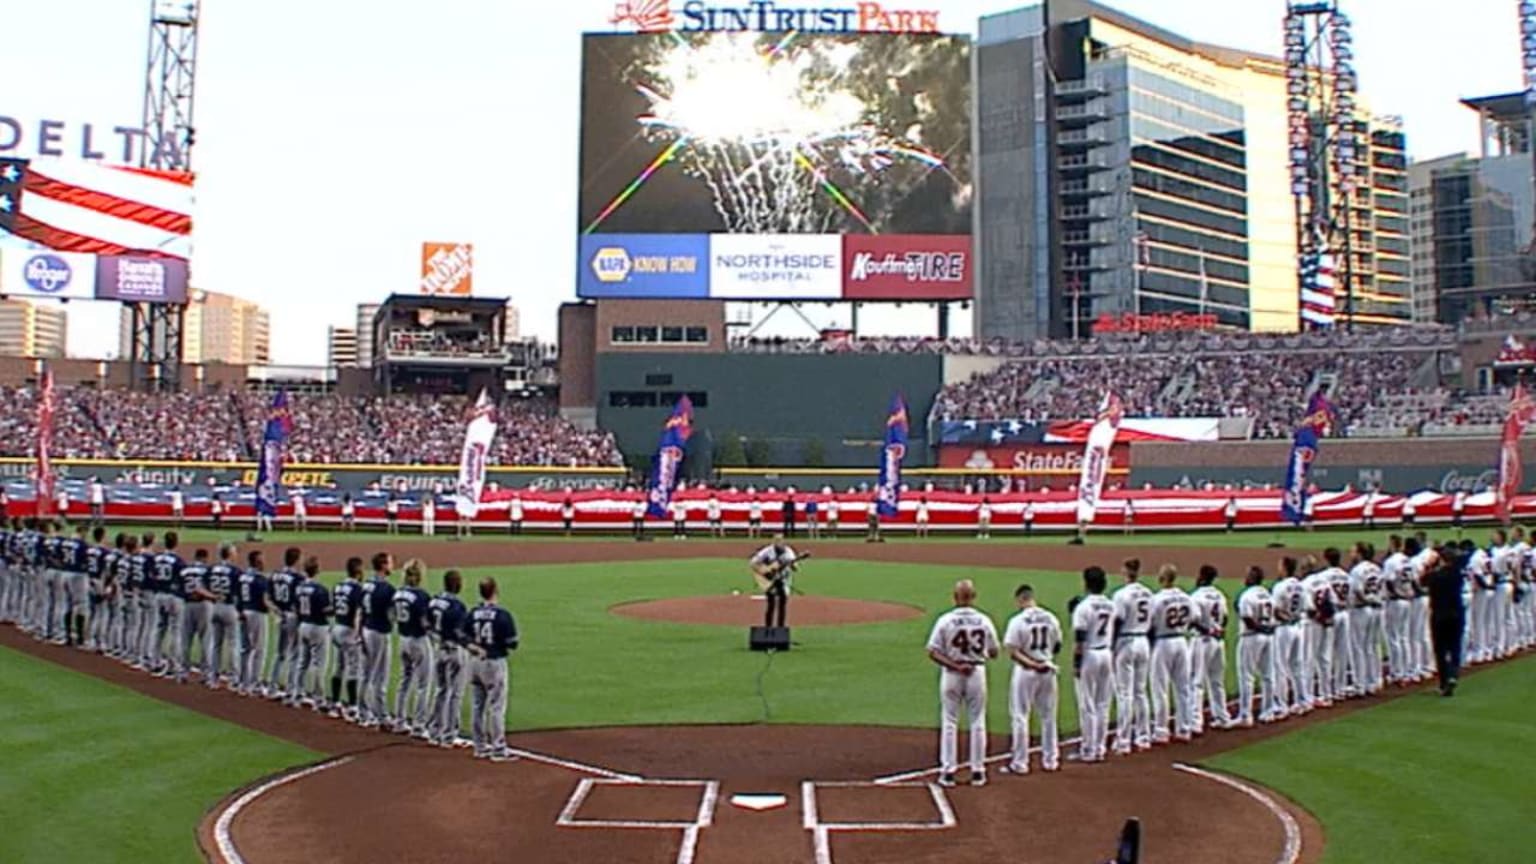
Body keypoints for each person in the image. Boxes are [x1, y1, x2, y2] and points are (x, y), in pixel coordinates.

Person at [925, 579, 999, 787]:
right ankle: (978, 771)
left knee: (949, 721)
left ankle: (948, 772)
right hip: (977, 672)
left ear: (955, 597)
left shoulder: (945, 620)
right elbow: (994, 652)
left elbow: (932, 652)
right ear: (973, 597)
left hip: (951, 673)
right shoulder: (984, 620)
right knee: (978, 721)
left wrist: (956, 666)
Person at [1002, 584, 1061, 775]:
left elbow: (1012, 651)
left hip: (1026, 672)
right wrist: (1044, 659)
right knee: (1048, 716)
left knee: (1020, 715)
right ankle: (1050, 760)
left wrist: (1032, 663)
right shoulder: (1051, 617)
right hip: (1047, 669)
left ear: (1020, 599)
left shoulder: (1017, 620)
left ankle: (1020, 763)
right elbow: (1058, 644)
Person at [468, 577, 519, 761]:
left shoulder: (472, 612)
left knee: (477, 706)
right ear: (495, 591)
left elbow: (464, 636)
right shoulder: (502, 615)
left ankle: (479, 747)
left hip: (474, 662)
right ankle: (498, 748)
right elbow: (512, 643)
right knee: (496, 707)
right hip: (494, 662)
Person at [1072, 566, 1117, 763]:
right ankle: (1100, 747)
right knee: (1103, 703)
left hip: (1090, 655)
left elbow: (1080, 639)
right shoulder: (1110, 604)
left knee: (1087, 704)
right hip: (1106, 653)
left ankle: (1088, 748)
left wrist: (1076, 663)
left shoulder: (1083, 607)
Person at [1147, 564, 1195, 743]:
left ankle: (1161, 730)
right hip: (1181, 640)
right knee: (1183, 687)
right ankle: (1184, 728)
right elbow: (1193, 619)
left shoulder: (1157, 599)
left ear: (1162, 578)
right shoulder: (1185, 597)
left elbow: (1150, 624)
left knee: (1160, 688)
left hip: (1163, 642)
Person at [1110, 558, 1153, 754]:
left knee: (1125, 693)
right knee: (1140, 692)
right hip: (1143, 640)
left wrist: (1111, 645)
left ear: (1126, 571)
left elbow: (1117, 622)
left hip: (1126, 641)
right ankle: (1143, 737)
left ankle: (1124, 740)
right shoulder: (1148, 593)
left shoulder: (1121, 594)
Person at [429, 569, 471, 748]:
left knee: (441, 690)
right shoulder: (458, 606)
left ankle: (434, 731)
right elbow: (461, 632)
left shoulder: (434, 601)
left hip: (438, 649)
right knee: (456, 693)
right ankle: (450, 734)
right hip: (455, 650)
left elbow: (426, 623)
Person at [392, 559, 434, 736]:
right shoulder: (422, 596)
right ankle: (419, 725)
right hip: (418, 640)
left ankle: (399, 721)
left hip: (403, 639)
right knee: (423, 684)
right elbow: (425, 622)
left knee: (404, 681)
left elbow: (392, 615)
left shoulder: (398, 593)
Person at [1189, 565, 1232, 732]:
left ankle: (1195, 721)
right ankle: (1223, 718)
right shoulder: (1219, 594)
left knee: (1197, 682)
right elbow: (1226, 617)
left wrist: (1207, 630)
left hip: (1202, 641)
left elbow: (1194, 620)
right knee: (1216, 681)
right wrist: (1218, 630)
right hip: (1218, 641)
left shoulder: (1197, 596)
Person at [1234, 566, 1278, 726]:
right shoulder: (1268, 594)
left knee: (1246, 676)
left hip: (1251, 637)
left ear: (1252, 578)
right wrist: (1267, 629)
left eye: (1247, 575)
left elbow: (1248, 620)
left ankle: (1245, 715)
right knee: (1268, 675)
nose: (1245, 577)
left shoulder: (1247, 596)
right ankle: (1268, 711)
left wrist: (1261, 628)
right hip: (1268, 636)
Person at [1423, 543, 1467, 696]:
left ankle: (1444, 681)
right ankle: (1453, 675)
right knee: (1455, 646)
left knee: (1440, 650)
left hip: (1439, 614)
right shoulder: (1458, 573)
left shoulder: (1435, 576)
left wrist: (1429, 566)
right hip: (1457, 612)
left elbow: (1423, 581)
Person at [359, 552, 396, 729]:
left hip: (366, 629)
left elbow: (360, 611)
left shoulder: (366, 584)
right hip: (379, 632)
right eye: (389, 562)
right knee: (380, 676)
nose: (392, 565)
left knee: (366, 674)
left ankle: (364, 712)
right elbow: (391, 615)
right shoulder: (387, 589)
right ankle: (380, 716)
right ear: (383, 565)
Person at [328, 557, 366, 720]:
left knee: (339, 666)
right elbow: (357, 614)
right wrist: (358, 634)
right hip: (349, 629)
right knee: (353, 668)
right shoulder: (358, 589)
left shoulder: (338, 586)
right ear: (358, 571)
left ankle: (335, 703)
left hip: (337, 626)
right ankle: (352, 707)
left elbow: (333, 608)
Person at [293, 555, 332, 710]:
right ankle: (319, 699)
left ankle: (297, 693)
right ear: (317, 570)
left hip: (303, 625)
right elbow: (326, 611)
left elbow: (296, 607)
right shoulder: (320, 589)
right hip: (318, 627)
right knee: (319, 664)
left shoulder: (299, 588)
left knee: (302, 662)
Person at [1270, 557, 1307, 716]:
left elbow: (1275, 610)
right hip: (1297, 627)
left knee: (1280, 666)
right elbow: (1305, 607)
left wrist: (1285, 617)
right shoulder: (1300, 585)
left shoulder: (1280, 586)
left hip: (1284, 629)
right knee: (1297, 665)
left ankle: (1282, 704)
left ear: (1284, 568)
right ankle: (1302, 701)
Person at [1319, 547, 1357, 699]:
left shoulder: (1323, 576)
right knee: (1342, 651)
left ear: (1326, 559)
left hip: (1333, 614)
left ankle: (1327, 691)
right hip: (1345, 613)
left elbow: (1322, 597)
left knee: (1327, 652)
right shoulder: (1346, 574)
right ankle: (1340, 688)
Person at [1349, 541, 1386, 695]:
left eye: (1353, 551)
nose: (1351, 554)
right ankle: (1375, 680)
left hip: (1361, 610)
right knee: (1372, 645)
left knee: (1359, 647)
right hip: (1376, 609)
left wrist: (1365, 600)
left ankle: (1360, 684)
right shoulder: (1377, 568)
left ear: (1360, 553)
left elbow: (1357, 590)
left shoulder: (1357, 570)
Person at [1300, 556, 1337, 707]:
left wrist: (1319, 618)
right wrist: (1327, 619)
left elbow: (1309, 608)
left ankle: (1308, 696)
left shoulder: (1305, 584)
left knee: (1308, 658)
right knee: (1324, 658)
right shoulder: (1324, 581)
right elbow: (1333, 602)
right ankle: (1326, 694)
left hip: (1312, 624)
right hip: (1327, 622)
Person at [267, 548, 302, 700]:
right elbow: (299, 601)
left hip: (279, 615)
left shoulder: (274, 575)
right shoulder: (297, 577)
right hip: (292, 616)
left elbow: (268, 597)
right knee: (294, 654)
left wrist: (276, 611)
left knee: (279, 653)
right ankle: (290, 688)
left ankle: (272, 686)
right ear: (297, 560)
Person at [205, 544, 240, 690]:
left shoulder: (211, 568)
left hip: (215, 606)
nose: (236, 554)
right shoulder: (235, 571)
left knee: (216, 644)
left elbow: (201, 586)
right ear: (229, 554)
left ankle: (213, 678)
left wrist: (212, 596)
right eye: (234, 552)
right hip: (229, 606)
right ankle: (233, 678)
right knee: (232, 644)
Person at [176, 549, 215, 684]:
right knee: (205, 639)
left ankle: (183, 672)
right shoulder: (208, 570)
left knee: (186, 639)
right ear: (205, 558)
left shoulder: (185, 570)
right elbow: (211, 588)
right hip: (204, 604)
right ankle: (205, 674)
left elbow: (179, 588)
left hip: (187, 605)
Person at [236, 549, 271, 697]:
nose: (264, 562)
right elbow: (265, 600)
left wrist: (239, 611)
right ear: (257, 562)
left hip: (244, 612)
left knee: (245, 649)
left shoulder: (242, 577)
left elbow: (236, 597)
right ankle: (255, 683)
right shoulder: (261, 579)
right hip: (257, 614)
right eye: (261, 560)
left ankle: (243, 683)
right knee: (259, 650)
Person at [151, 532, 186, 677]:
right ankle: (173, 665)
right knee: (175, 630)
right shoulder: (178, 561)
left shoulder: (156, 558)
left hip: (159, 594)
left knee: (159, 629)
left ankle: (155, 661)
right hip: (173, 596)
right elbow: (184, 579)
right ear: (176, 543)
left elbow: (152, 575)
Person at [1382, 536, 1414, 685]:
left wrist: (1395, 593)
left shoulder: (1391, 561)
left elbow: (1388, 581)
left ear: (1393, 544)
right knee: (1404, 637)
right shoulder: (1407, 560)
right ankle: (1407, 670)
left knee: (1393, 638)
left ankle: (1397, 672)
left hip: (1395, 601)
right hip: (1407, 599)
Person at [749, 538, 798, 629]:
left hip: (783, 579)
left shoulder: (789, 552)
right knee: (771, 603)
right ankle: (768, 628)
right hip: (769, 580)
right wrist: (764, 572)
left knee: (782, 603)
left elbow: (795, 568)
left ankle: (781, 629)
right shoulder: (767, 551)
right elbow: (753, 563)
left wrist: (792, 565)